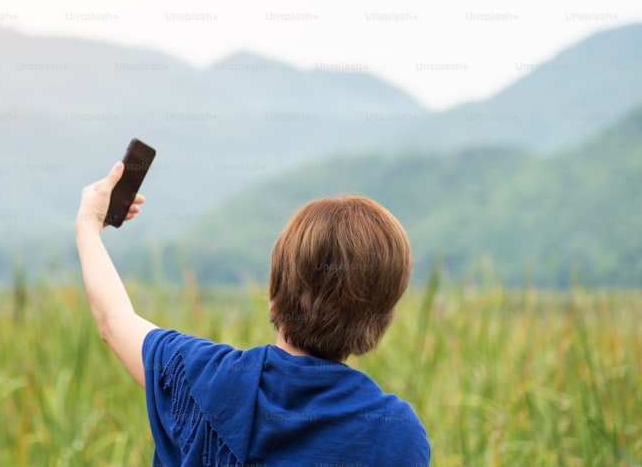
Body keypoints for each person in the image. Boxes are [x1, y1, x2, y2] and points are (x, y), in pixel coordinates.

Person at [76, 161, 430, 466]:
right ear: (382, 317)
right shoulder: (396, 434)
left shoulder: (201, 378)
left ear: (276, 289)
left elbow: (113, 320)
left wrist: (89, 224)